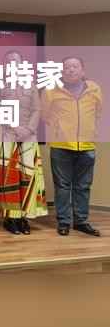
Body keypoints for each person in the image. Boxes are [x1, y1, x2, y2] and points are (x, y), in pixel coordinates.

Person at [0, 50, 48, 235]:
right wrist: (15, 127)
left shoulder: (31, 84)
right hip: (7, 135)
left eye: (15, 61)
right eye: (8, 61)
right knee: (9, 178)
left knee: (27, 177)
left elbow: (37, 109)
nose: (12, 64)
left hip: (28, 137)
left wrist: (28, 129)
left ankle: (23, 217)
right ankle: (10, 218)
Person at [42, 56, 102, 236]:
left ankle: (81, 221)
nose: (70, 70)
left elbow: (98, 113)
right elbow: (45, 115)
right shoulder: (51, 89)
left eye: (75, 66)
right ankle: (64, 221)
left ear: (82, 70)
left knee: (83, 186)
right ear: (62, 71)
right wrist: (59, 129)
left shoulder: (94, 89)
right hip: (61, 146)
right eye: (67, 67)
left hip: (87, 146)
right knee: (62, 185)